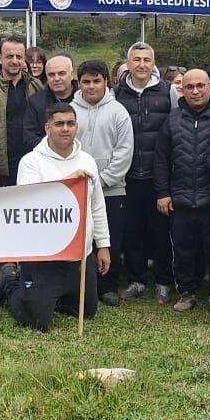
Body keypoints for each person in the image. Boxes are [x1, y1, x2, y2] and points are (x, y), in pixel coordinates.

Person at [7, 103, 113, 331]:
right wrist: (69, 182)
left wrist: (103, 245)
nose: (65, 129)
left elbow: (96, 205)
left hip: (80, 255)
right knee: (37, 321)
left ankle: (55, 295)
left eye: (70, 123)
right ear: (47, 128)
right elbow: (30, 205)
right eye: (59, 124)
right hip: (44, 257)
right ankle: (9, 284)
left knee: (88, 312)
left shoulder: (87, 160)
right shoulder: (31, 162)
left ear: (77, 127)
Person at [155, 68, 210, 313]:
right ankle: (186, 293)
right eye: (189, 87)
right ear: (182, 90)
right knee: (182, 250)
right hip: (181, 198)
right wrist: (162, 193)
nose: (195, 91)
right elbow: (161, 159)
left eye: (200, 86)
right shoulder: (172, 119)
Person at [113, 42, 176, 302]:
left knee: (160, 232)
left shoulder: (169, 91)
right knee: (131, 231)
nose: (141, 65)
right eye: (136, 60)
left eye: (146, 60)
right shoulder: (115, 93)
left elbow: (176, 129)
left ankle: (164, 281)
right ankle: (137, 280)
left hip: (158, 175)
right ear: (128, 64)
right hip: (127, 176)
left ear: (153, 63)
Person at [71, 60, 134, 305]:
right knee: (81, 239)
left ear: (106, 82)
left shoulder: (118, 111)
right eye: (86, 81)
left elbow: (124, 152)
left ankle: (108, 286)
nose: (91, 86)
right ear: (79, 83)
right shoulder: (70, 111)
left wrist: (102, 181)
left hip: (112, 189)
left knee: (110, 239)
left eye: (97, 81)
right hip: (77, 189)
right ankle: (82, 285)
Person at [0, 35, 39, 188]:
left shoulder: (36, 86)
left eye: (19, 56)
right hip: (3, 169)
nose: (15, 61)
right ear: (0, 58)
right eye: (9, 56)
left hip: (33, 165)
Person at [22, 54, 78, 160]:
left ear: (71, 75)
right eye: (51, 75)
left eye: (61, 73)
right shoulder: (35, 102)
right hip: (47, 161)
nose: (56, 78)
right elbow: (30, 137)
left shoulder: (84, 98)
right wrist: (56, 152)